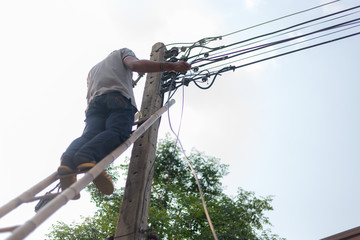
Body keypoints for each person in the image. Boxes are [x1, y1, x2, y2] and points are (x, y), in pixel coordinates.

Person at [58, 48, 191, 198]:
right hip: (118, 99)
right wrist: (171, 66)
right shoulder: (122, 52)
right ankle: (87, 157)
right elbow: (135, 65)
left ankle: (67, 162)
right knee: (118, 132)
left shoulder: (92, 70)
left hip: (94, 105)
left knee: (90, 134)